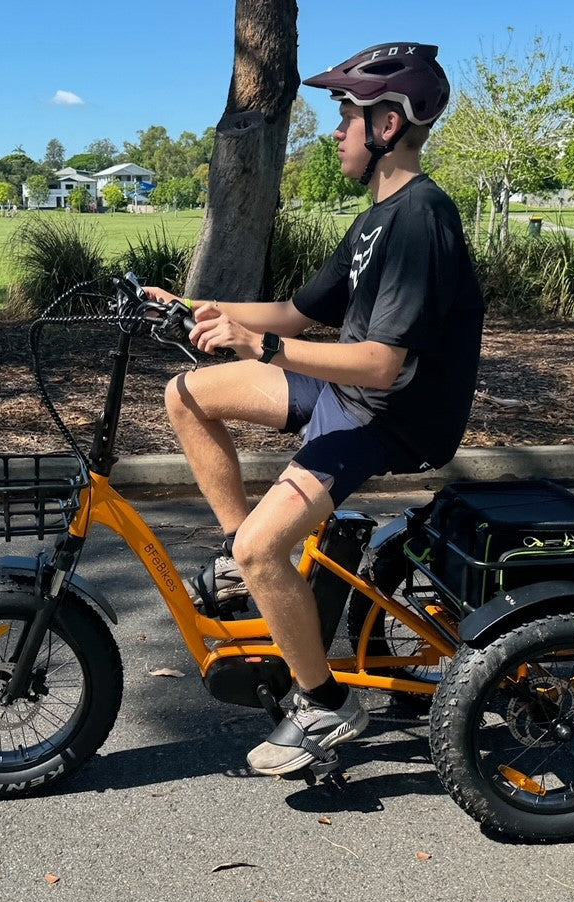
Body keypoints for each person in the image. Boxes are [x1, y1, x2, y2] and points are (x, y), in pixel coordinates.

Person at [143, 43, 484, 778]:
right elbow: (296, 312)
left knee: (269, 547)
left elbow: (380, 363)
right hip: (349, 395)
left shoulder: (422, 218)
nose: (335, 132)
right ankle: (240, 560)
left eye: (346, 117)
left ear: (387, 124)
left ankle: (325, 703)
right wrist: (194, 307)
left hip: (387, 415)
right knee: (188, 393)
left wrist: (258, 345)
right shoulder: (374, 222)